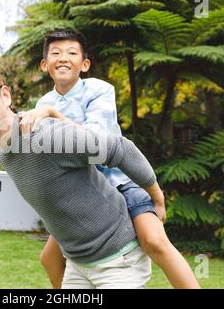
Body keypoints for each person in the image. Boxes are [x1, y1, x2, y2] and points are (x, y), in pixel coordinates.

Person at [0, 61, 164, 288]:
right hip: (77, 263)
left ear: (5, 95)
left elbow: (120, 149)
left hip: (118, 260)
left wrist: (156, 198)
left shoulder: (43, 134)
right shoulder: (2, 149)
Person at [18, 30, 200, 289]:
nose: (63, 58)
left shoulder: (98, 90)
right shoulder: (44, 102)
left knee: (155, 241)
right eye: (55, 53)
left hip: (121, 184)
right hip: (85, 196)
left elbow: (96, 141)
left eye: (72, 53)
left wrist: (52, 114)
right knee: (49, 258)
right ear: (45, 64)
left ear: (84, 64)